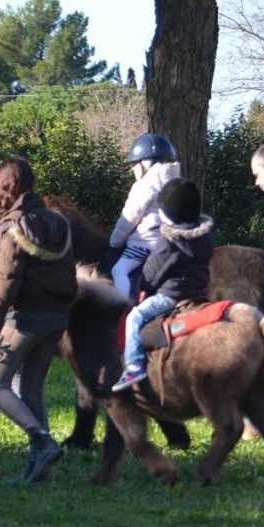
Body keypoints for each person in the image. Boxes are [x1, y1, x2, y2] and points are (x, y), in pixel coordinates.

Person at [0, 157, 77, 485]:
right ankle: (39, 467)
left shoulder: (12, 227)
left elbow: (4, 284)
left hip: (26, 318)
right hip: (57, 316)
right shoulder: (58, 222)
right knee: (31, 388)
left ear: (7, 189)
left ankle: (43, 442)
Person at [112, 178, 214, 391]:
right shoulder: (204, 237)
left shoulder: (169, 242)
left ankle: (133, 365)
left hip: (170, 295)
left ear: (169, 214)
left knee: (134, 317)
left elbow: (152, 273)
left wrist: (144, 288)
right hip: (199, 292)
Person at [106, 133, 181, 300]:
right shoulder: (176, 182)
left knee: (118, 271)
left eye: (136, 163)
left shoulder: (145, 184)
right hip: (172, 242)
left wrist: (115, 242)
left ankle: (122, 307)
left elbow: (130, 217)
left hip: (146, 243)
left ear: (146, 162)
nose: (134, 167)